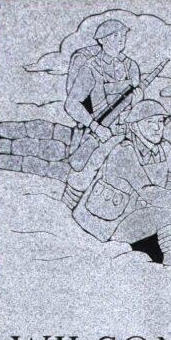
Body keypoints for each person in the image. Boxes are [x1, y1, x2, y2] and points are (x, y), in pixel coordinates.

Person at [73, 100, 171, 270]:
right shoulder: (123, 151)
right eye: (150, 122)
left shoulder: (163, 148)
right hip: (106, 222)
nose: (157, 128)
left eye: (160, 122)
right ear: (134, 127)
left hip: (135, 213)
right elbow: (148, 192)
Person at [63, 18, 141, 208]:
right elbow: (72, 104)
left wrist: (139, 99)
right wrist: (95, 127)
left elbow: (137, 103)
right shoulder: (91, 68)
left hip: (128, 131)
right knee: (84, 172)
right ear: (103, 40)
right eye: (115, 35)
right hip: (101, 131)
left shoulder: (131, 67)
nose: (121, 39)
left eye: (123, 35)